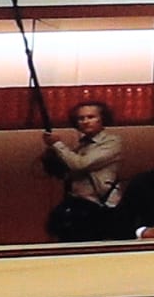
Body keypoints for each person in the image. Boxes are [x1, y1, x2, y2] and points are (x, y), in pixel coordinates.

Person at [44, 99, 128, 242]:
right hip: (79, 206)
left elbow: (81, 164)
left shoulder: (111, 142)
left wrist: (58, 145)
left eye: (91, 117)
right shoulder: (81, 145)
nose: (85, 121)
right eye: (81, 118)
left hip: (101, 207)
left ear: (102, 119)